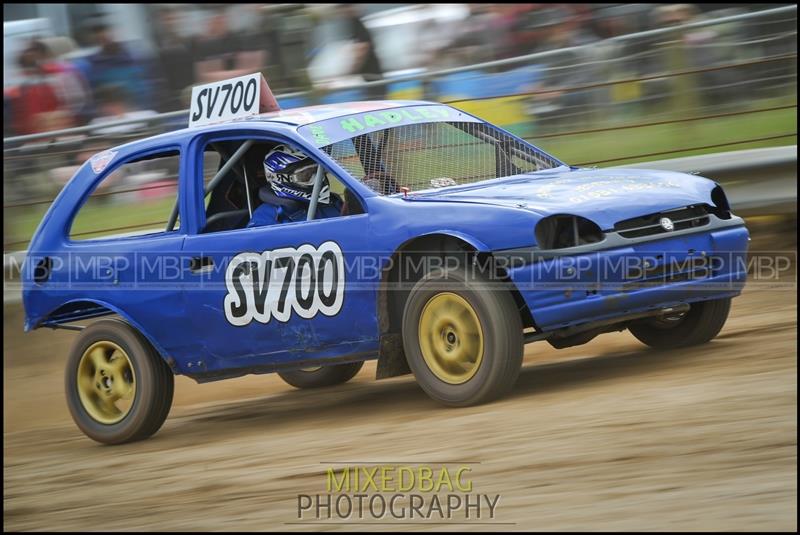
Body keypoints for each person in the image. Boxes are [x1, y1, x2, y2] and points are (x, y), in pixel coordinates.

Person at [247, 145, 342, 227]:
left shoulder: (333, 201)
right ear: (280, 178)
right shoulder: (265, 219)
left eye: (317, 172)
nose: (318, 180)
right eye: (306, 175)